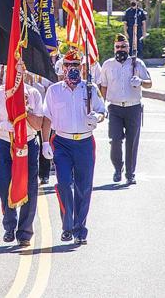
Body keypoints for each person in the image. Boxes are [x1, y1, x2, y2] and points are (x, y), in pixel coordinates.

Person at [42, 50, 105, 245]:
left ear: (82, 68)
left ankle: (80, 229)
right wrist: (45, 142)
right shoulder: (54, 91)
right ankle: (67, 226)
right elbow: (47, 118)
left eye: (76, 65)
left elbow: (102, 112)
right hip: (62, 143)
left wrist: (96, 117)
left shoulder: (90, 88)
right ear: (63, 68)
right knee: (63, 184)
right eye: (69, 65)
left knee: (83, 187)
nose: (72, 69)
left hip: (85, 142)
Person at [0, 72, 44, 247]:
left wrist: (24, 110)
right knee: (4, 186)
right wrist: (0, 125)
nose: (16, 75)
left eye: (20, 72)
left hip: (27, 144)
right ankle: (9, 225)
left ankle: (24, 232)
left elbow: (38, 125)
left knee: (29, 187)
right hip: (4, 142)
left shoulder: (33, 93)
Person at [100, 34, 152, 184]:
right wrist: (101, 106)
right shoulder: (108, 65)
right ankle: (118, 168)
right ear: (114, 48)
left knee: (132, 142)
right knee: (115, 140)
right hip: (115, 108)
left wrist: (141, 81)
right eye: (117, 47)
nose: (120, 49)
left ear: (128, 48)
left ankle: (130, 173)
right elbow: (103, 86)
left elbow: (150, 83)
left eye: (123, 47)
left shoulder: (137, 64)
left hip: (133, 108)